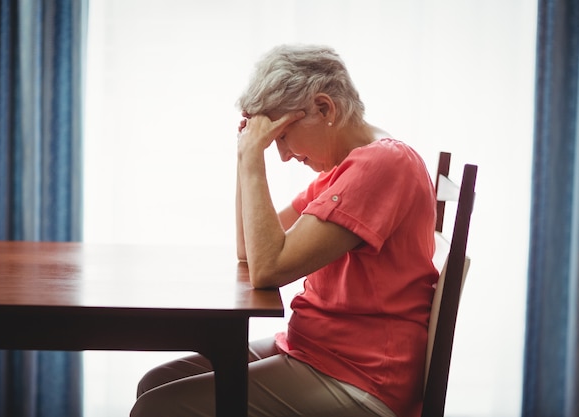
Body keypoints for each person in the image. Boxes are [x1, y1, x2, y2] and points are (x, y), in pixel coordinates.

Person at [130, 44, 438, 417]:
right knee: (157, 383)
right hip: (318, 351)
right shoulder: (346, 168)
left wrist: (253, 160)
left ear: (325, 108)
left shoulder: (382, 165)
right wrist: (245, 153)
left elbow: (268, 268)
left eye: (282, 135)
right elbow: (251, 249)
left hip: (361, 376)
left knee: (158, 407)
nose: (283, 154)